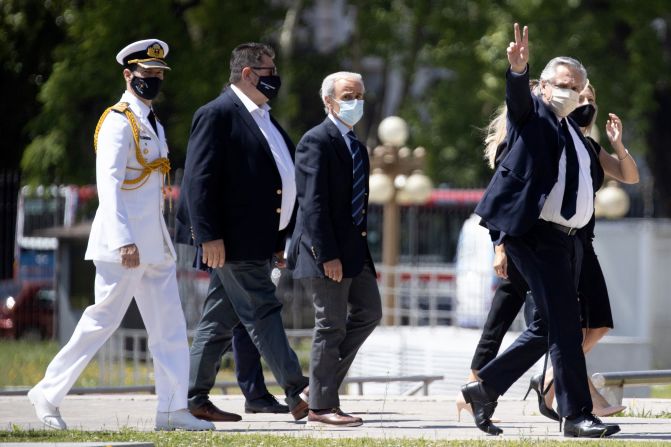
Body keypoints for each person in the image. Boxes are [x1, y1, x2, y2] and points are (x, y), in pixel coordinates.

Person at [27, 39, 213, 431]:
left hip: (154, 244)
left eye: (159, 75)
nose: (154, 80)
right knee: (101, 322)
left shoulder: (152, 121)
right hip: (124, 245)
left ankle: (172, 409)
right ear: (129, 75)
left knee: (170, 326)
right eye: (147, 75)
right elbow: (108, 185)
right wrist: (123, 238)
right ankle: (47, 392)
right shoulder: (118, 119)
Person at [462, 23, 621, 438]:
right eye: (561, 85)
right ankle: (576, 415)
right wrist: (517, 72)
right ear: (545, 86)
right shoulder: (535, 117)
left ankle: (486, 388)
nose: (568, 92)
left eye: (576, 86)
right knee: (566, 325)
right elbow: (518, 103)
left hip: (567, 241)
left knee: (549, 326)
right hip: (535, 235)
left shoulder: (571, 129)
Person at [175, 42, 309, 423]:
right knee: (264, 309)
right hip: (231, 241)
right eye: (269, 71)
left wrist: (281, 238)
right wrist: (207, 234)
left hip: (259, 238)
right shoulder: (217, 114)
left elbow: (280, 181)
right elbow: (198, 180)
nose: (275, 79)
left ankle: (193, 396)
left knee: (218, 321)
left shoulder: (263, 116)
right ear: (247, 74)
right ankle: (300, 391)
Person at [288, 72, 382, 427]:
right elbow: (313, 205)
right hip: (323, 252)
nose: (355, 101)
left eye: (359, 95)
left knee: (370, 311)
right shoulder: (316, 141)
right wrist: (328, 255)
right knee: (330, 326)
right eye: (347, 95)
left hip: (354, 253)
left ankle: (317, 388)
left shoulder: (355, 144)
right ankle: (322, 406)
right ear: (328, 100)